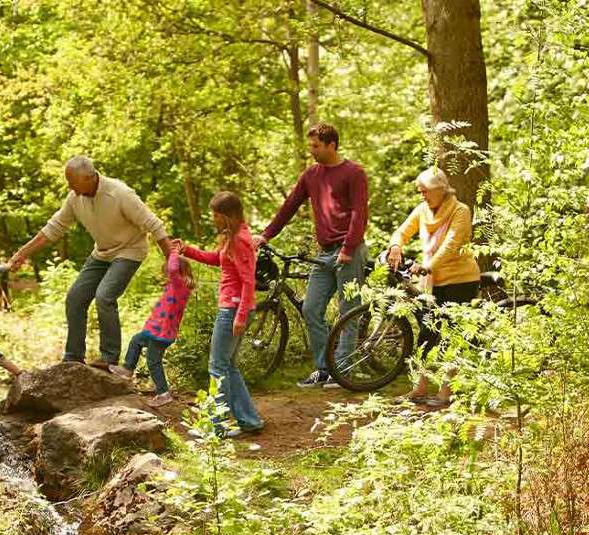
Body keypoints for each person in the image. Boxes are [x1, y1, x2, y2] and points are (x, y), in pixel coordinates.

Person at [7, 156, 176, 368]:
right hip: (102, 252)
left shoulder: (120, 193)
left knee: (104, 296)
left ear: (89, 177)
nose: (70, 187)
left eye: (72, 181)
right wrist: (23, 253)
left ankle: (109, 358)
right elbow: (53, 229)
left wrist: (172, 265)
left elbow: (155, 226)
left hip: (130, 249)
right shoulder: (74, 197)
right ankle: (73, 357)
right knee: (75, 298)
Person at [252, 123, 370, 388]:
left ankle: (343, 371)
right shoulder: (311, 175)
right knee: (311, 309)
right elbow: (289, 206)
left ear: (332, 145)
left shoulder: (354, 173)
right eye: (311, 146)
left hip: (349, 251)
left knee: (348, 311)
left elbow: (359, 214)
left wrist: (349, 249)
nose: (312, 151)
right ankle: (325, 368)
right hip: (324, 252)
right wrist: (266, 235)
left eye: (316, 146)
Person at [385, 167, 480, 407]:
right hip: (432, 283)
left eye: (425, 191)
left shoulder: (460, 211)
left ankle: (446, 392)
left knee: (451, 337)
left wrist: (428, 266)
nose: (422, 196)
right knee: (427, 335)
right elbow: (402, 231)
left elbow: (451, 245)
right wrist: (396, 245)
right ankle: (419, 388)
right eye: (420, 192)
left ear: (439, 190)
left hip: (461, 281)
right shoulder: (423, 210)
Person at [176, 191, 264, 437]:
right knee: (229, 367)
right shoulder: (231, 237)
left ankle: (215, 427)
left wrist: (241, 316)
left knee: (217, 366)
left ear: (226, 216)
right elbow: (219, 260)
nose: (212, 219)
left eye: (215, 215)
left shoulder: (240, 241)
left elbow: (248, 281)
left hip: (233, 309)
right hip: (233, 308)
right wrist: (189, 251)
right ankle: (250, 420)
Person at [110, 252, 195, 408]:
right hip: (159, 330)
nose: (167, 275)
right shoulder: (177, 286)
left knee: (153, 361)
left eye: (167, 272)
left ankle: (163, 393)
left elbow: (173, 269)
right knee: (137, 341)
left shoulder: (179, 285)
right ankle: (128, 369)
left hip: (161, 332)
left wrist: (173, 252)